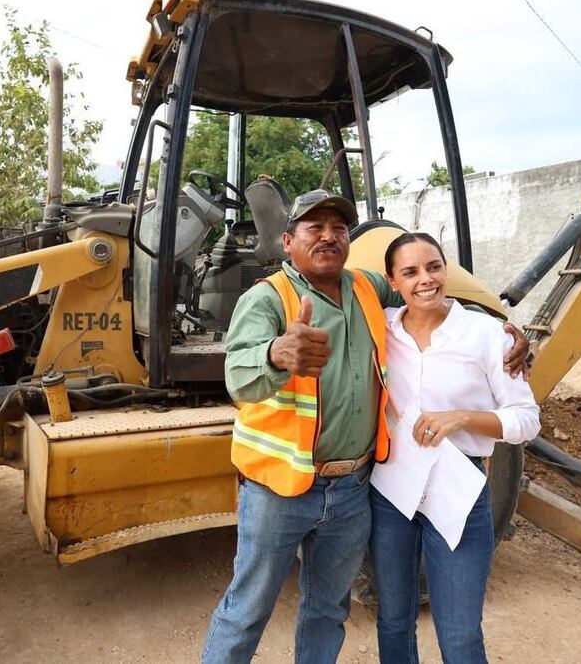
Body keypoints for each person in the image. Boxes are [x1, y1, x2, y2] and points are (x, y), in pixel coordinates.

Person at [201, 190, 529, 664]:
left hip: (353, 490)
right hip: (280, 491)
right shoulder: (267, 298)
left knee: (326, 611)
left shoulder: (367, 287)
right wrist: (275, 354)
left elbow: (428, 297)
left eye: (338, 228)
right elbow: (238, 378)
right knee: (247, 610)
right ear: (288, 241)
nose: (329, 236)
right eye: (315, 228)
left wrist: (501, 331)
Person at [368, 232, 541, 664]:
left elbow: (526, 419)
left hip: (458, 490)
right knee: (393, 620)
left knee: (460, 634)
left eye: (434, 267)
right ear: (392, 280)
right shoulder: (380, 327)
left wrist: (463, 417)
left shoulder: (487, 335)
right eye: (410, 272)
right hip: (393, 490)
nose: (425, 279)